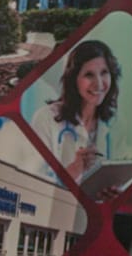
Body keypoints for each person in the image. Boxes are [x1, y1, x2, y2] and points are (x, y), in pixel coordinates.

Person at [29, 39, 121, 183]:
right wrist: (74, 169)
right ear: (74, 79)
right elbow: (34, 184)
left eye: (104, 72)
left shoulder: (113, 122)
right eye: (89, 75)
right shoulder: (45, 119)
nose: (99, 83)